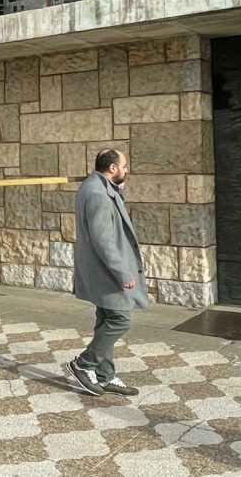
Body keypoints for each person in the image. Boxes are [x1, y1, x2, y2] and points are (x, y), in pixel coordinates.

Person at [68, 149, 147, 397]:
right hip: (105, 271)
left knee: (105, 320)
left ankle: (105, 376)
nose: (126, 170)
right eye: (124, 165)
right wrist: (123, 272)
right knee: (121, 320)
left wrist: (118, 190)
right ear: (112, 168)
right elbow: (104, 240)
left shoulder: (98, 186)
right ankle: (84, 364)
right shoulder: (97, 193)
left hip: (100, 271)